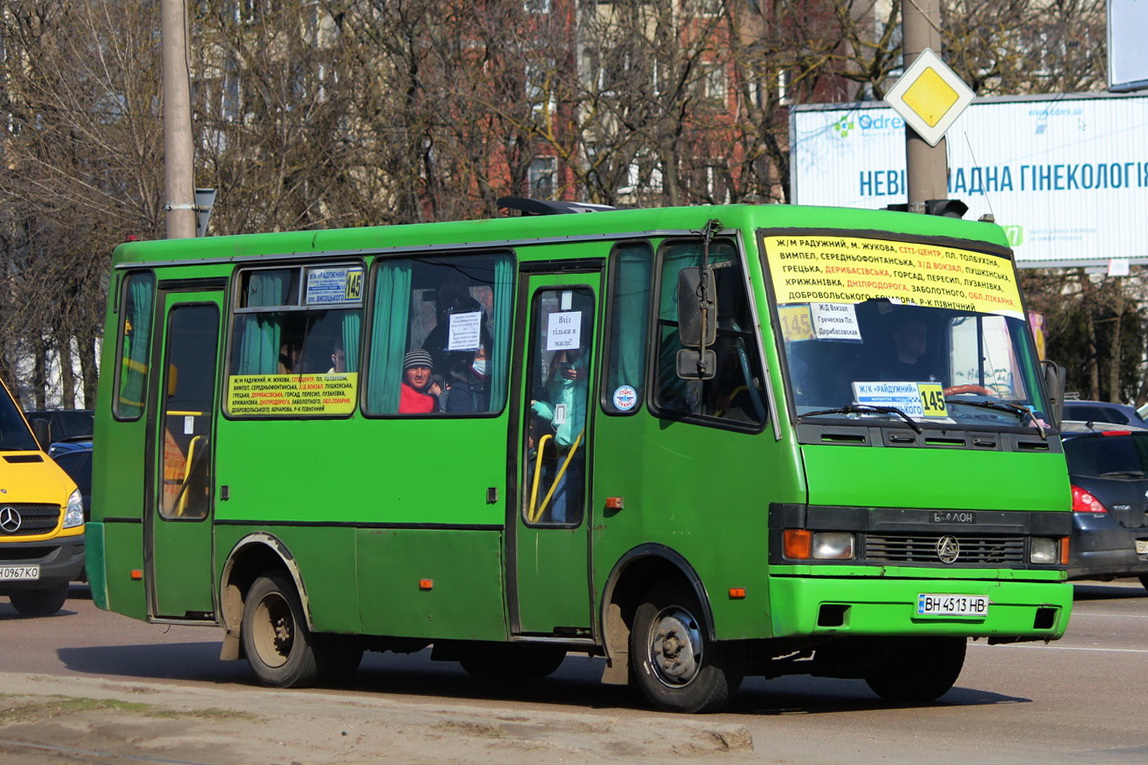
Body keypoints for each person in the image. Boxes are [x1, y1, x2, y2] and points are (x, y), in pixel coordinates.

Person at [530, 348, 587, 523]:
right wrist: (536, 406)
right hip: (566, 448)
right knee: (559, 511)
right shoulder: (559, 375)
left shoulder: (594, 364)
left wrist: (586, 379)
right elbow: (557, 412)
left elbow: (612, 390)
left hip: (588, 445)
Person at [880, 317, 940, 382]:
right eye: (915, 333)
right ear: (898, 337)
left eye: (924, 334)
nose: (922, 337)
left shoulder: (933, 372)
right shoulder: (887, 373)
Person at [444, 344, 489, 413]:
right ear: (471, 360)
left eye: (488, 356)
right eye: (479, 356)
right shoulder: (460, 389)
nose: (485, 360)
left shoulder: (498, 384)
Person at [399, 348, 441, 413]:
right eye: (414, 369)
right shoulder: (400, 391)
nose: (419, 374)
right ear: (406, 372)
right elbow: (409, 416)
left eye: (424, 369)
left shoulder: (434, 388)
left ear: (430, 373)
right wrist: (433, 398)